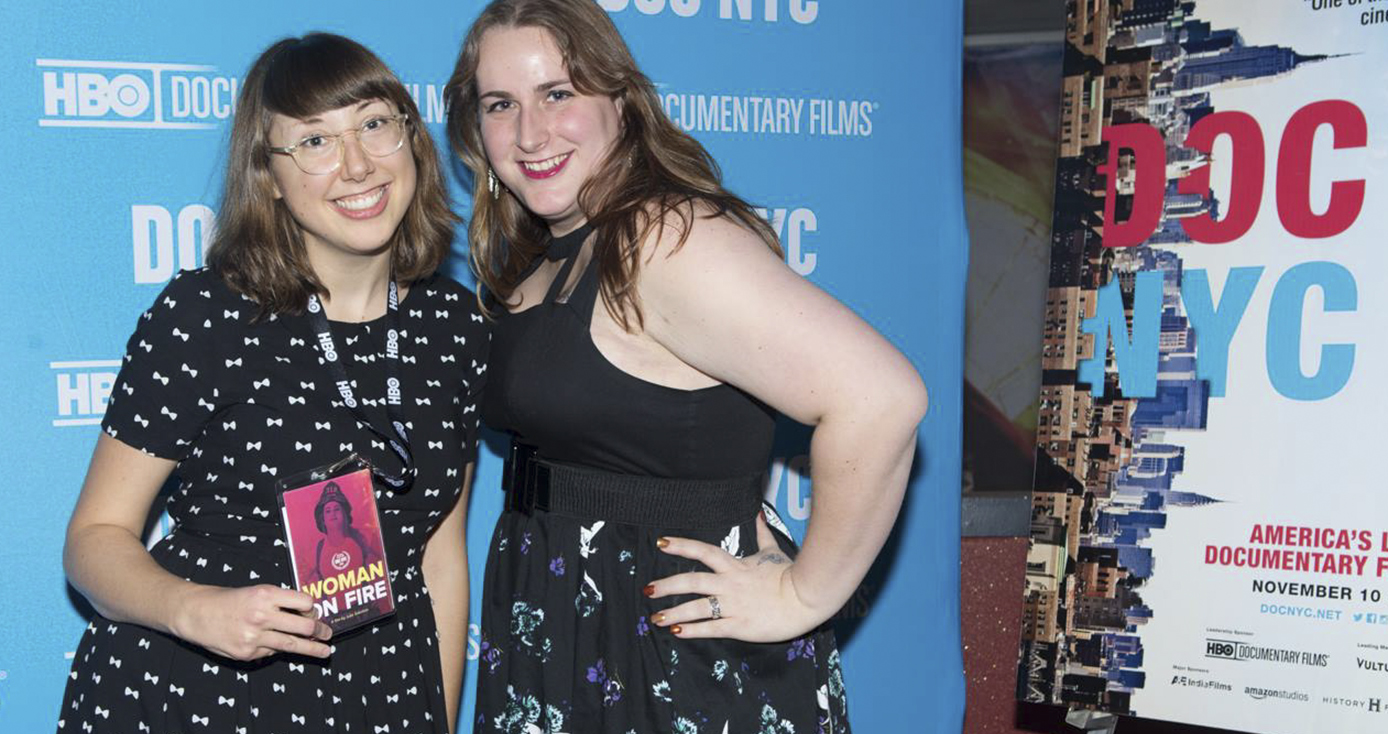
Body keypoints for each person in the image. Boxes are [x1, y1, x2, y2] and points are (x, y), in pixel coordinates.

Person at [443, 1, 928, 731]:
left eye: (559, 94)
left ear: (621, 102)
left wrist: (803, 595)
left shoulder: (660, 237)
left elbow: (883, 398)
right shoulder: (550, 253)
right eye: (500, 104)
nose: (530, 132)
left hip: (670, 652)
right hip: (563, 627)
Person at [58, 33, 487, 734]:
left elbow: (441, 557)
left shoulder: (454, 325)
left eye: (374, 124)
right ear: (270, 175)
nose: (356, 165)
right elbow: (94, 538)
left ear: (412, 140)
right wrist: (193, 609)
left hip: (382, 692)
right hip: (199, 689)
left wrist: (435, 720)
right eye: (314, 142)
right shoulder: (209, 315)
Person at [304, 481, 383, 585]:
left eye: (337, 509)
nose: (332, 514)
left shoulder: (363, 537)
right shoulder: (316, 551)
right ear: (322, 519)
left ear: (344, 513)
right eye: (328, 511)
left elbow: (383, 564)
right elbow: (304, 582)